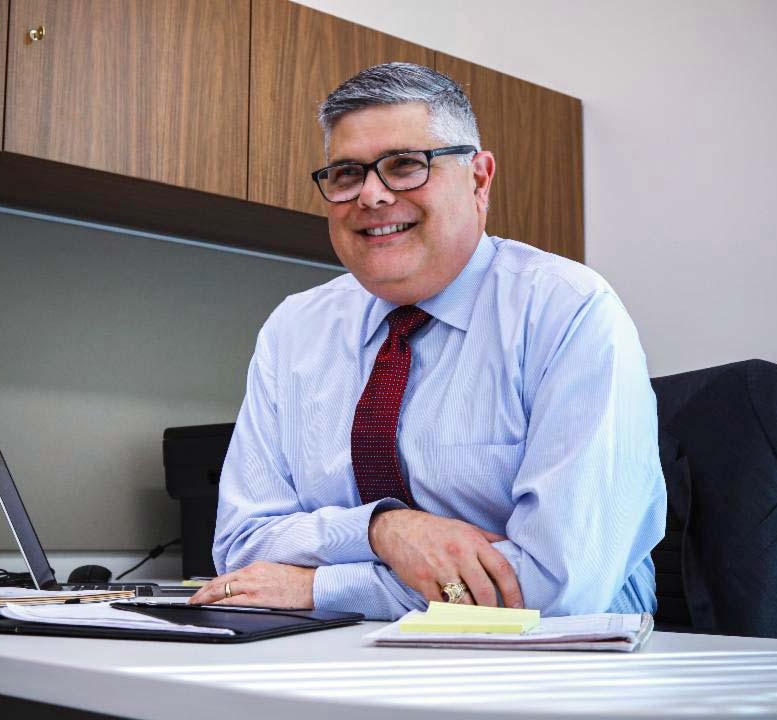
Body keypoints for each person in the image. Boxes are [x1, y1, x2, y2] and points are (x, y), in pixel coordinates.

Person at [189, 63, 666, 620]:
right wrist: (384, 529)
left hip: (556, 673)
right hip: (337, 663)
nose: (371, 195)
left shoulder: (568, 310)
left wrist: (321, 589)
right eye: (347, 173)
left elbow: (555, 588)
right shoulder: (293, 330)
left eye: (406, 165)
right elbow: (242, 545)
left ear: (479, 179)